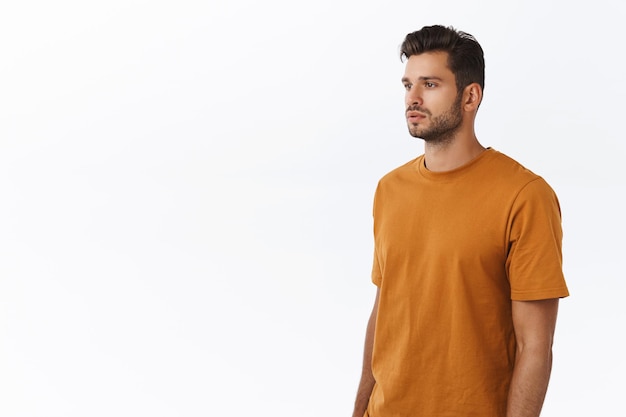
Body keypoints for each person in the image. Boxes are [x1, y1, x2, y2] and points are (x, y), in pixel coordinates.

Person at [351, 25, 569, 417]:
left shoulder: (525, 197)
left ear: (471, 96)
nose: (412, 99)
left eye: (430, 84)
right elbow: (383, 311)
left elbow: (535, 346)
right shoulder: (389, 189)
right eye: (407, 85)